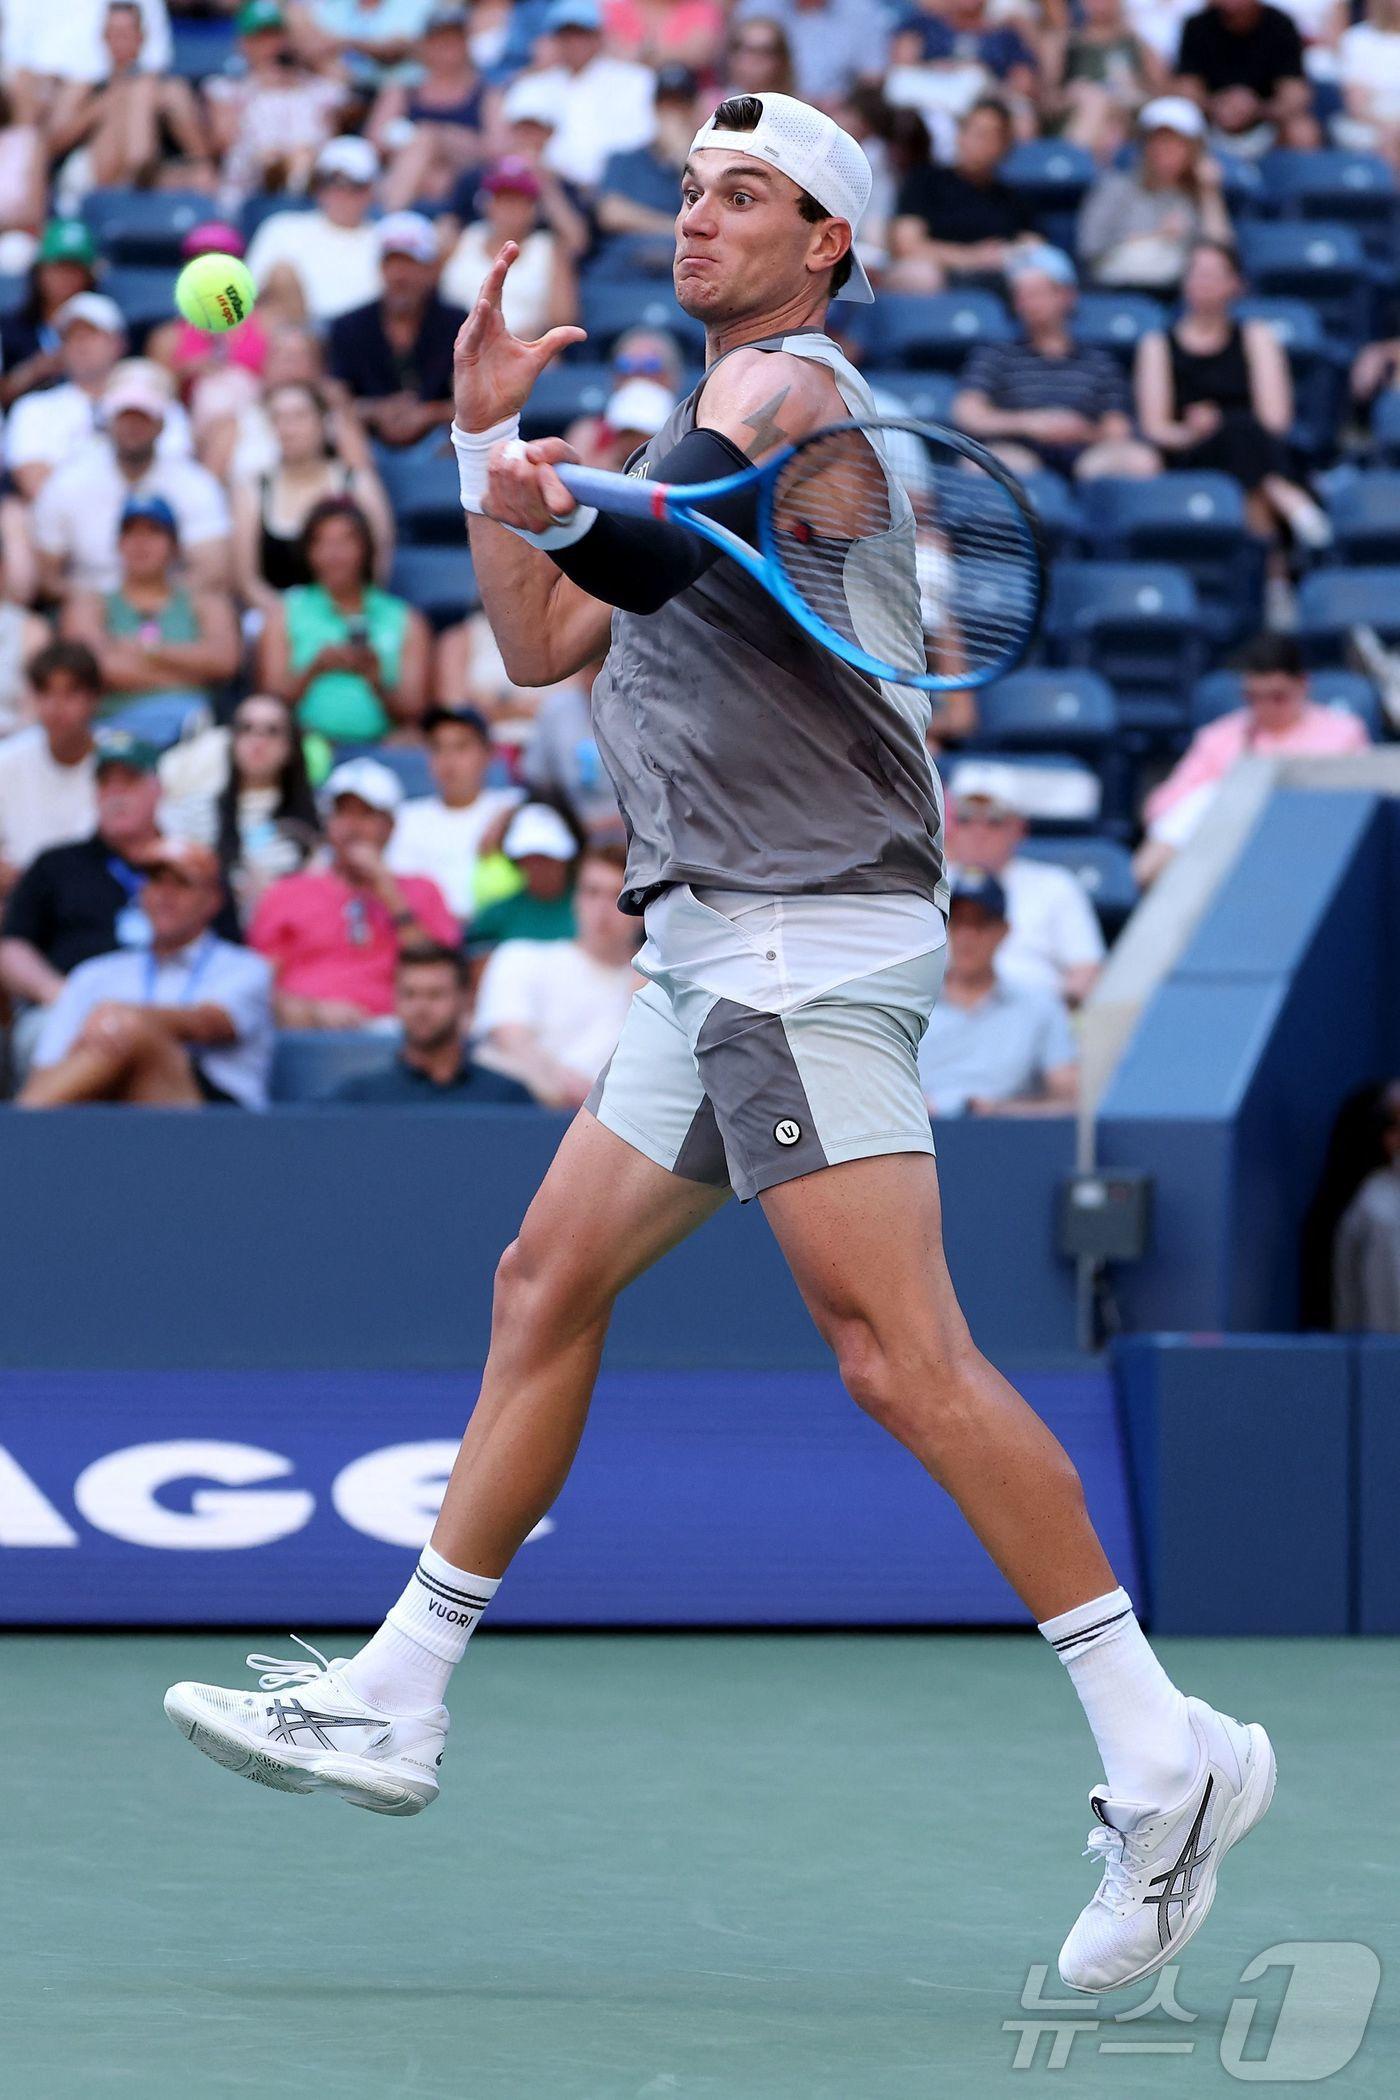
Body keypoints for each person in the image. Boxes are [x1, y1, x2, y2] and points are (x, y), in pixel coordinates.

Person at [165, 89, 1274, 2003]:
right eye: (686, 190)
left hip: (800, 932)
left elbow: (632, 564)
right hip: (707, 947)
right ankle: (399, 1694)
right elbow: (537, 643)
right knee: (545, 1281)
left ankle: (1164, 1754)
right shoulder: (683, 437)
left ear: (825, 242)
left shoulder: (790, 390)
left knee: (898, 1360)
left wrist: (556, 491)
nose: (695, 218)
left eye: (742, 194)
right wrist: (488, 443)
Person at [20, 838, 273, 1109]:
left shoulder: (245, 968)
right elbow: (46, 1067)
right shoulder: (94, 974)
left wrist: (124, 1019)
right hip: (109, 1113)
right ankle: (25, 1124)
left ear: (213, 900)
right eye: (154, 880)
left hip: (217, 1117)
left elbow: (208, 1023)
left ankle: (21, 1127)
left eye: (182, 883)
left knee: (133, 1032)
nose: (165, 895)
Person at [1134, 239, 1331, 550]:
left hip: (1256, 447)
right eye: (1196, 273)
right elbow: (1155, 427)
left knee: (1240, 434)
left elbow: (1275, 421)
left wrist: (1220, 422)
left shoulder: (1256, 337)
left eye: (1213, 274)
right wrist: (1193, 431)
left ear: (1235, 284)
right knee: (1238, 439)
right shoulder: (1157, 345)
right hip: (1191, 454)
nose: (1203, 282)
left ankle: (1267, 561)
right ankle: (1288, 501)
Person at [1135, 633, 1370, 884]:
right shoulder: (1221, 736)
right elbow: (1162, 809)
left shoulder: (1343, 734)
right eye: (1253, 697)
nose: (1265, 707)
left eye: (1277, 697)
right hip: (1226, 852)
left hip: (1310, 848)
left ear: (1303, 684)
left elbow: (1360, 809)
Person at [248, 755, 458, 1027]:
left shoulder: (423, 890)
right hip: (310, 1030)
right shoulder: (287, 892)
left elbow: (441, 980)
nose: (352, 826)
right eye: (342, 813)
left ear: (390, 826)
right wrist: (313, 1012)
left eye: (366, 814)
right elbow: (257, 985)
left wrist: (390, 894)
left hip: (400, 1030)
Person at [0, 729, 167, 1071]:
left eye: (129, 782)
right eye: (106, 783)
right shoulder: (55, 864)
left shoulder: (186, 868)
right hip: (66, 1007)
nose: (116, 795)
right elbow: (12, 946)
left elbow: (225, 953)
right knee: (50, 1033)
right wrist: (60, 995)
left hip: (171, 1008)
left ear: (157, 789)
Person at [953, 244, 1158, 481]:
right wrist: (1028, 423)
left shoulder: (1098, 360)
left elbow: (1118, 426)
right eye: (1021, 296)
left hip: (1087, 453)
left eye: (1037, 294)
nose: (1028, 304)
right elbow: (967, 413)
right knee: (981, 465)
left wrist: (1082, 431)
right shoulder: (995, 354)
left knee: (1139, 460)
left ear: (1066, 295)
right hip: (1018, 450)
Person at [31, 365, 231, 597]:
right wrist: (103, 604)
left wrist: (148, 602)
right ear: (107, 421)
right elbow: (48, 576)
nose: (133, 426)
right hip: (89, 601)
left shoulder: (195, 484)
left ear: (161, 424)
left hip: (172, 604)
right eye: (124, 416)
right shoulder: (67, 482)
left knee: (216, 610)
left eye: (143, 417)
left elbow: (212, 571)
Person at [473, 841, 641, 1107]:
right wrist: (579, 1095)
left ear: (641, 910)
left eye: (617, 896)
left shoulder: (653, 985)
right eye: (592, 892)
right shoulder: (519, 957)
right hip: (526, 1115)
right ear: (575, 899)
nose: (602, 908)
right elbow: (511, 1041)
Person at [258, 495, 430, 743]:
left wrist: (375, 677)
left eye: (345, 542)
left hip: (381, 747)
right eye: (322, 542)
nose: (334, 555)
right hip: (302, 748)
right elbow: (270, 702)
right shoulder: (282, 614)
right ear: (308, 551)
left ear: (366, 548)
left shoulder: (406, 619)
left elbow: (414, 710)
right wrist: (315, 668)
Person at [61, 495, 240, 718]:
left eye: (153, 532)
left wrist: (147, 650)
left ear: (175, 546)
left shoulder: (207, 602)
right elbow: (93, 669)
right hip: (112, 726)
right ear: (118, 543)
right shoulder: (88, 605)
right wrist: (193, 674)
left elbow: (224, 661)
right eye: (130, 532)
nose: (141, 543)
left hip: (194, 728)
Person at [917, 869, 1079, 1116]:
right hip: (915, 1131)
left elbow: (1071, 1105)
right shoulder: (911, 1003)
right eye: (959, 922)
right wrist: (910, 1110)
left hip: (1007, 1135)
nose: (968, 936)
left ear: (1004, 931)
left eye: (981, 924)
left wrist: (1001, 1111)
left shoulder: (1040, 1006)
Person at [231, 379, 393, 621]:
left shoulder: (358, 483)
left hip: (352, 615)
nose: (287, 428)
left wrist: (340, 617)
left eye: (299, 416)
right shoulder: (252, 489)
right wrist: (293, 622)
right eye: (278, 418)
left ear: (324, 422)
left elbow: (379, 563)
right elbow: (247, 581)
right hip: (275, 619)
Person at [944, 764, 1105, 1003]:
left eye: (994, 820)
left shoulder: (1056, 885)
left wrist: (1048, 1013)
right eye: (966, 818)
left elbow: (1086, 970)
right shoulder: (928, 884)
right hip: (942, 1015)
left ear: (1019, 828)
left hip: (1036, 1012)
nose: (978, 831)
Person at [159, 691, 322, 923]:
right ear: (232, 740)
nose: (258, 740)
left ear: (290, 745)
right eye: (246, 728)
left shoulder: (313, 822)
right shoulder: (196, 810)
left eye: (272, 731)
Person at [325, 941, 534, 1103]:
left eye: (435, 994)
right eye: (409, 994)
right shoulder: (359, 1098)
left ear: (464, 999)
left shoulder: (506, 1097)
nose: (421, 1007)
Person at [43, 0, 214, 196]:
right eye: (115, 33)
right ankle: (137, 171)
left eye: (126, 34)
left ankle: (140, 174)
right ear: (104, 37)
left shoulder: (160, 87)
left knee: (153, 90)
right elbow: (53, 144)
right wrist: (103, 105)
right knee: (137, 92)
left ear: (141, 38)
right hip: (93, 174)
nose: (120, 42)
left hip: (147, 176)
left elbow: (201, 157)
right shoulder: (85, 85)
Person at [329, 213, 465, 450]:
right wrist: (376, 410)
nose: (400, 275)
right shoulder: (349, 326)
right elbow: (336, 398)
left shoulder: (458, 323)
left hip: (440, 442)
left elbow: (473, 401)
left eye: (411, 264)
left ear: (430, 269)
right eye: (392, 263)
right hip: (368, 444)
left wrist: (429, 413)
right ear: (381, 268)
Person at [1076, 95, 1232, 292]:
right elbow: (1089, 247)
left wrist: (1209, 192)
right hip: (1117, 290)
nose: (1164, 149)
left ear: (1194, 149)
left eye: (1177, 142)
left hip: (1181, 295)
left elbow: (1220, 251)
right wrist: (1154, 236)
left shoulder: (1199, 194)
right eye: (1157, 141)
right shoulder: (1114, 187)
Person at [385, 704, 522, 922]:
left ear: (488, 753)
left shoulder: (514, 806)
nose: (448, 760)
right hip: (427, 934)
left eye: (461, 747)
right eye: (437, 748)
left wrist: (512, 814)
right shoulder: (405, 817)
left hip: (493, 932)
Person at [204, 1, 348, 207]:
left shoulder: (316, 88)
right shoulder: (227, 88)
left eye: (277, 36)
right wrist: (259, 86)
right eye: (260, 38)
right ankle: (281, 174)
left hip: (310, 189)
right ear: (244, 43)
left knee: (304, 142)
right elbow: (223, 141)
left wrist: (295, 75)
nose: (271, 45)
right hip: (248, 193)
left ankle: (294, 180)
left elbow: (336, 126)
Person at [887, 98, 1032, 293]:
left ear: (1005, 145)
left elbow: (1032, 245)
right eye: (976, 133)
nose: (981, 143)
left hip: (997, 281)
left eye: (991, 136)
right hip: (937, 276)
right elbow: (906, 245)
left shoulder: (1012, 197)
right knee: (922, 275)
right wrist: (973, 258)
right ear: (960, 135)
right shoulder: (925, 181)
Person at [244, 135, 384, 325]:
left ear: (371, 190)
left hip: (359, 334)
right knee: (282, 276)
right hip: (293, 332)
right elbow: (250, 296)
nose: (340, 194)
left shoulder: (385, 240)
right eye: (330, 182)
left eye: (353, 186)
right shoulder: (282, 227)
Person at [0, 640, 100, 900]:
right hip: (17, 900)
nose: (57, 706)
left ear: (94, 698)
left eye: (71, 693)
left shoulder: (120, 763)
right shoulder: (6, 760)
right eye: (46, 692)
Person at [438, 157, 578, 340]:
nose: (508, 208)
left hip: (524, 345)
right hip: (454, 344)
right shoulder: (462, 239)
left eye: (518, 201)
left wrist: (533, 337)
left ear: (532, 208)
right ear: (487, 204)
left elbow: (563, 318)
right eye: (501, 200)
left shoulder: (548, 249)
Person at [526, 0, 655, 190]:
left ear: (598, 36)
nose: (573, 43)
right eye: (565, 35)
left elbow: (642, 141)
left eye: (580, 34)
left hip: (621, 187)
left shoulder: (635, 80)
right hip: (558, 188)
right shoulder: (536, 86)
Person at [368, 7, 487, 212]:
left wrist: (439, 138)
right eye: (440, 41)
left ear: (466, 45)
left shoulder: (486, 94)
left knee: (428, 141)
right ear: (426, 45)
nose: (447, 48)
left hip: (459, 185)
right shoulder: (403, 90)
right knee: (425, 145)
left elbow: (496, 151)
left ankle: (390, 215)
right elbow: (375, 144)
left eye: (454, 41)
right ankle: (395, 211)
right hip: (410, 178)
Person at [1175, 0, 1313, 151]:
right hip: (1211, 123)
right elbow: (1186, 89)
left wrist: (1256, 109)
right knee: (1175, 127)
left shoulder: (1280, 24)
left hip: (1266, 124)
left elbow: (1295, 94)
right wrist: (1219, 106)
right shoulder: (1197, 26)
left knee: (1303, 131)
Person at [0, 219, 101, 411]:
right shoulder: (10, 328)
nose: (65, 278)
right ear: (39, 271)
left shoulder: (104, 323)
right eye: (58, 267)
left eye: (74, 269)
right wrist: (35, 369)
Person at [1044, 0, 1165, 159]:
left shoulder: (1135, 42)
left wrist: (1131, 89)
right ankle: (1074, 161)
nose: (1101, 4)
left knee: (1111, 121)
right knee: (1095, 102)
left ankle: (1071, 162)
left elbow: (1161, 92)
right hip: (1080, 112)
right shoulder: (1067, 42)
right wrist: (1073, 95)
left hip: (1124, 116)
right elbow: (1048, 102)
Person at [597, 62, 700, 243]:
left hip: (676, 257)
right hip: (626, 256)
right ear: (654, 108)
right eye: (665, 105)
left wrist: (683, 159)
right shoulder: (624, 160)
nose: (672, 114)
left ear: (692, 110)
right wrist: (673, 227)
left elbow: (705, 214)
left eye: (680, 105)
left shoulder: (703, 165)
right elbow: (611, 214)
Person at [466, 800, 580, 951]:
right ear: (518, 861)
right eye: (531, 859)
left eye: (546, 858)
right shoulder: (496, 916)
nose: (539, 867)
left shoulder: (591, 906)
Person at [732, 0, 886, 106]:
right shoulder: (758, 6)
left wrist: (843, 106)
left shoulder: (860, 11)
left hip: (839, 116)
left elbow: (872, 80)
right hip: (764, 104)